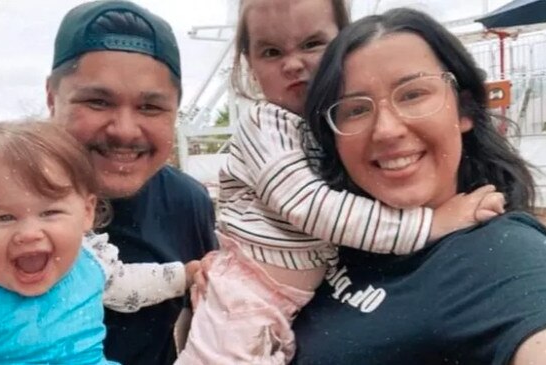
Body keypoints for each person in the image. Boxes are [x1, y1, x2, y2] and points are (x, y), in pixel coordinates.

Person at [177, 0, 504, 364]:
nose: (293, 63)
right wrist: (432, 223)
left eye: (313, 44)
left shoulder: (328, 133)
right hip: (247, 295)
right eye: (271, 52)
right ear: (250, 67)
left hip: (276, 302)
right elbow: (310, 206)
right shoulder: (264, 126)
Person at [0, 1, 217, 364]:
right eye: (98, 101)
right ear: (52, 97)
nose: (125, 130)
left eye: (150, 108)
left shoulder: (186, 203)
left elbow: (198, 315)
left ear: (87, 212)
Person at [291, 8, 546, 364]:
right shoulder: (334, 236)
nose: (386, 129)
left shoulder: (500, 253)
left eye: (412, 94)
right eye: (355, 110)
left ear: (465, 110)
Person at [0, 121, 201, 364]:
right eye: (4, 218)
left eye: (50, 212)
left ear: (85, 212)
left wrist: (183, 276)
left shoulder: (90, 265)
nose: (29, 233)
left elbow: (131, 285)